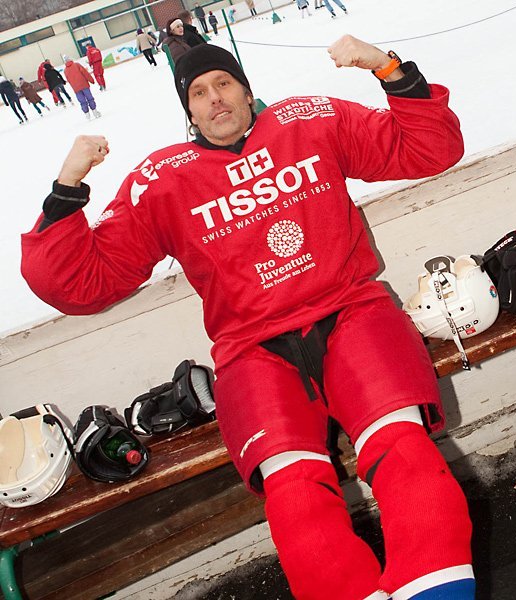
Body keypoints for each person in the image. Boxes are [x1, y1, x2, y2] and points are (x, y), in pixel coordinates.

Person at [21, 37, 474, 600]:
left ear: (245, 89)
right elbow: (80, 284)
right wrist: (67, 187)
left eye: (223, 83)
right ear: (189, 112)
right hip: (251, 350)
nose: (214, 98)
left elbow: (431, 148)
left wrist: (386, 67)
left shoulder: (308, 120)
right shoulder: (162, 179)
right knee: (295, 495)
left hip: (352, 312)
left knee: (404, 452)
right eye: (198, 93)